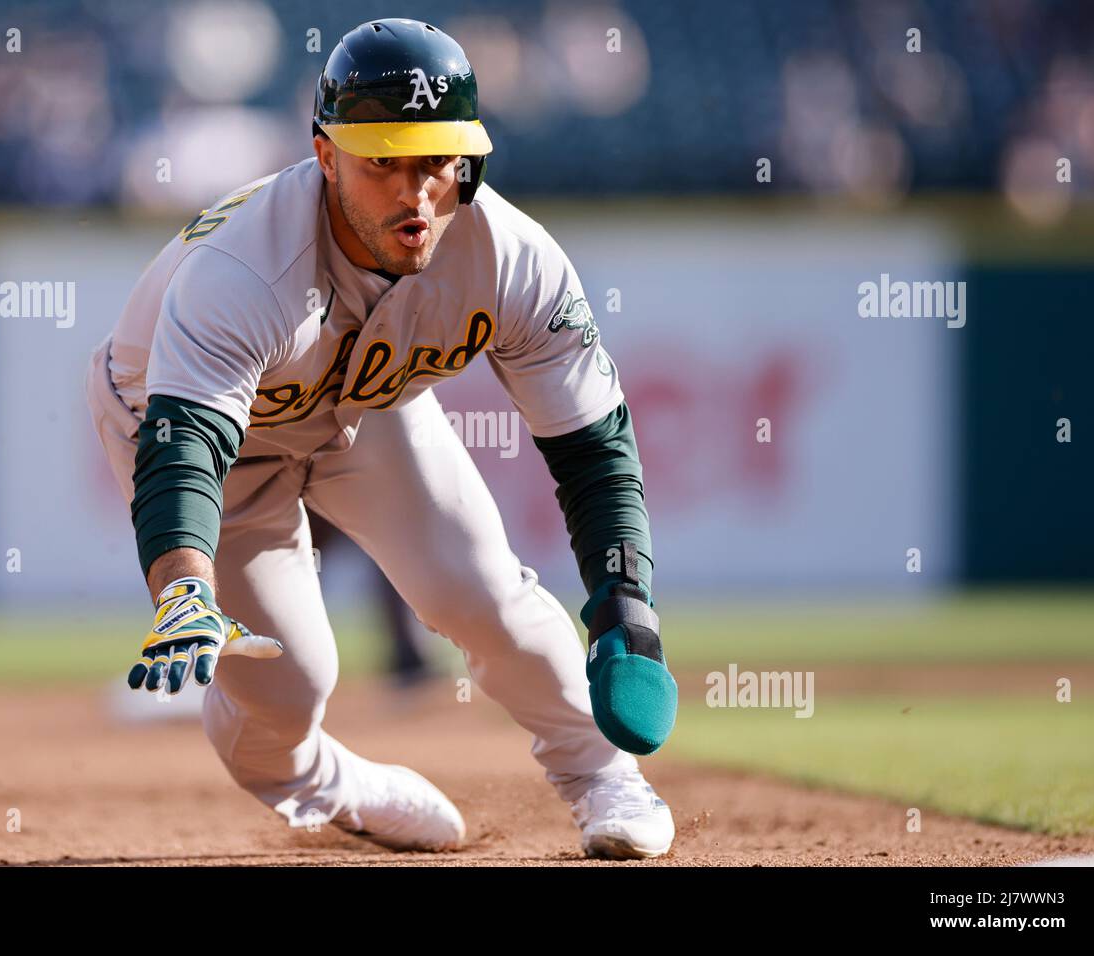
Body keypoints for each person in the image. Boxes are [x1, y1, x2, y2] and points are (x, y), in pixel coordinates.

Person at [85, 18, 678, 859]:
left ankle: (604, 778)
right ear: (326, 156)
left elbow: (593, 450)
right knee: (290, 682)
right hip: (198, 422)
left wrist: (628, 613)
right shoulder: (246, 271)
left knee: (483, 592)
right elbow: (185, 449)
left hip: (362, 401)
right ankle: (321, 783)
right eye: (382, 161)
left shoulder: (512, 256)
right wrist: (183, 586)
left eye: (437, 161)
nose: (416, 194)